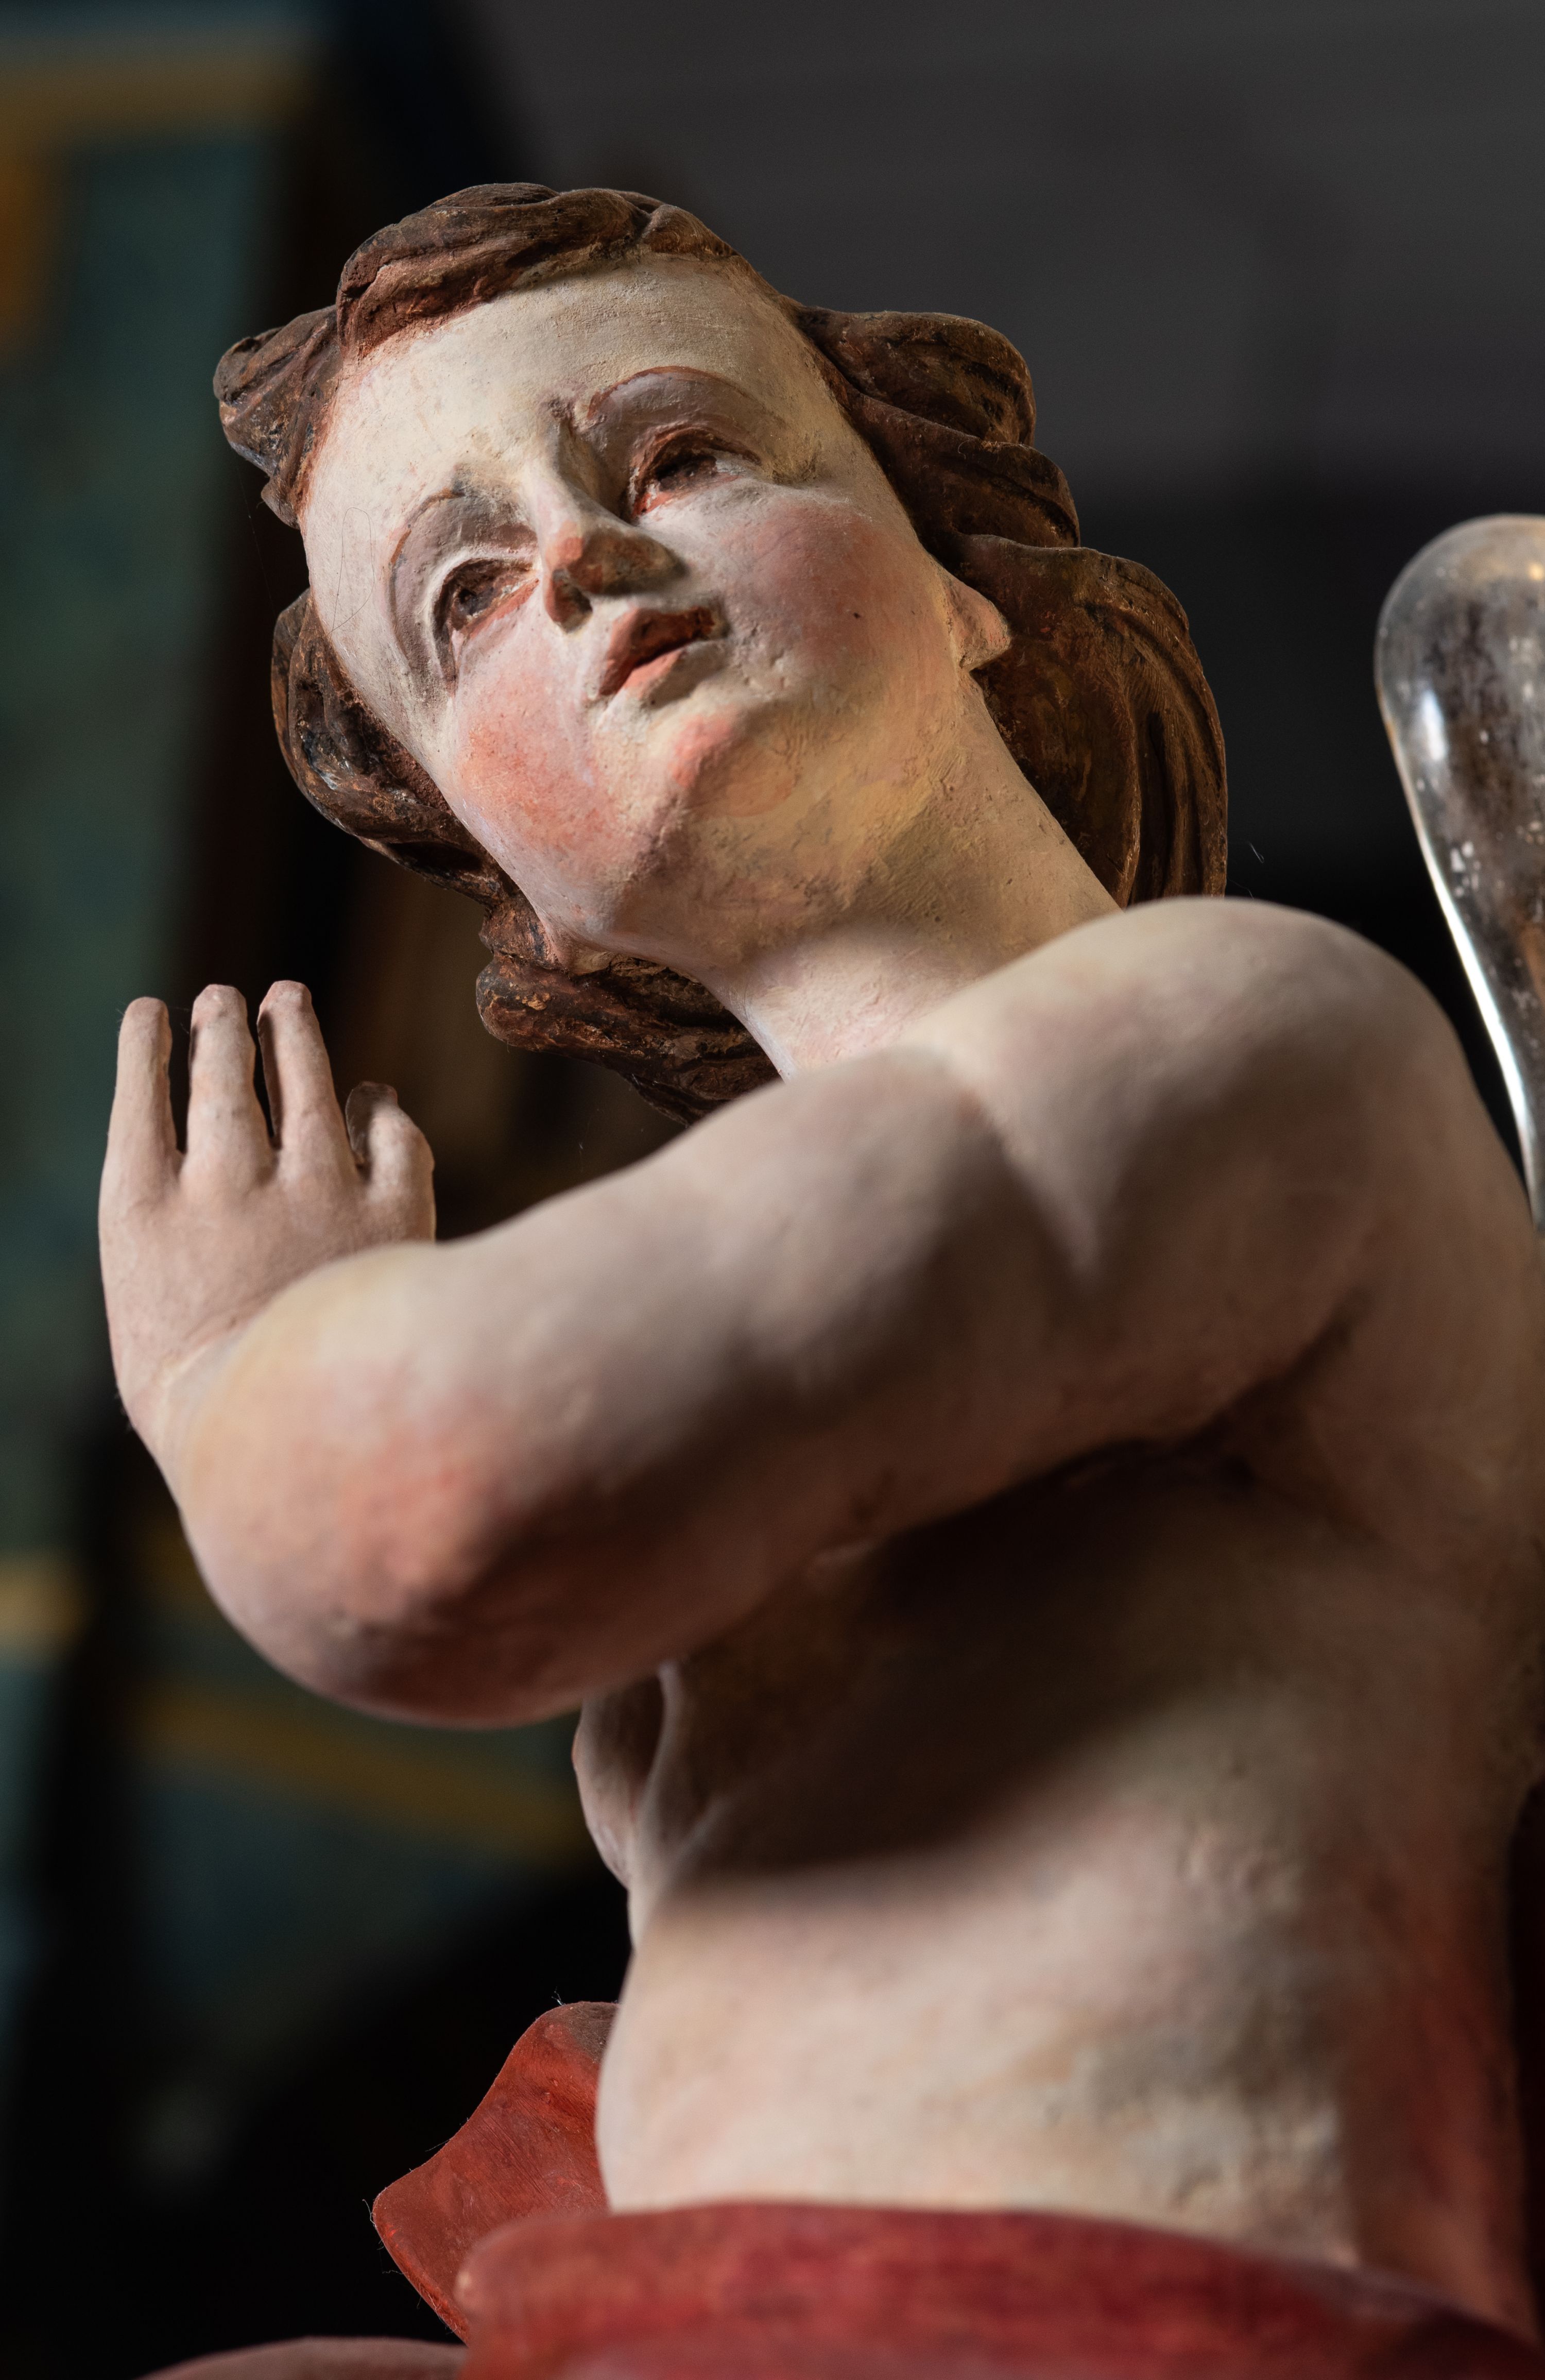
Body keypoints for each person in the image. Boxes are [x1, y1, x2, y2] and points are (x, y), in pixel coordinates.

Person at [101, 186, 1545, 2376]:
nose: (580, 562)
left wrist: (235, 1371)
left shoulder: (1251, 1045)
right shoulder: (739, 1500)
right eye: (463, 596)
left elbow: (417, 1506)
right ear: (515, 883)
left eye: (679, 453)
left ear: (963, 587)